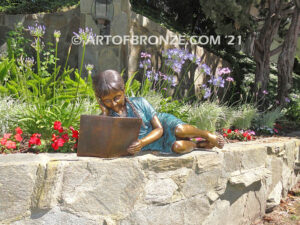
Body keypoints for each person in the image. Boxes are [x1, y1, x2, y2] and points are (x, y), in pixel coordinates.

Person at [92, 70, 224, 155]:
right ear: (100, 100)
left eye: (117, 98)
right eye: (107, 101)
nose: (114, 104)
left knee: (180, 130)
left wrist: (141, 142)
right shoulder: (107, 118)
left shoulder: (139, 102)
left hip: (161, 125)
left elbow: (159, 129)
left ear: (124, 90)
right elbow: (103, 143)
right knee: (178, 147)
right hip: (154, 143)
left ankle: (205, 134)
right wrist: (104, 112)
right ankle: (198, 145)